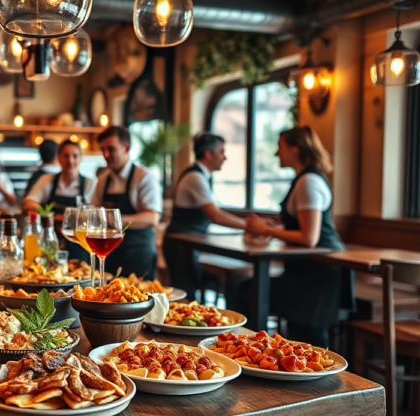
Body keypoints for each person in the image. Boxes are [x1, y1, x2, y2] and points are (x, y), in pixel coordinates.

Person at [235, 126, 353, 347]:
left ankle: (250, 350)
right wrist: (276, 225)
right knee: (246, 290)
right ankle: (250, 350)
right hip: (306, 271)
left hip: (319, 274)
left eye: (280, 147)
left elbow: (309, 237)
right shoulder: (304, 180)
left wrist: (267, 230)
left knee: (247, 292)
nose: (276, 153)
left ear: (295, 149)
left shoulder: (308, 182)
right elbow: (301, 224)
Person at [163, 132, 247, 297]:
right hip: (180, 243)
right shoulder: (195, 177)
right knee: (185, 294)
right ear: (208, 154)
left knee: (187, 292)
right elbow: (216, 215)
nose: (225, 157)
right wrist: (249, 226)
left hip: (185, 241)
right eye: (221, 152)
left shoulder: (200, 175)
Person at [91, 126, 162, 279]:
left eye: (111, 149)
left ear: (126, 148)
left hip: (138, 253)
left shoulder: (144, 178)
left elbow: (152, 218)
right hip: (109, 253)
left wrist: (115, 220)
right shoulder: (103, 181)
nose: (106, 155)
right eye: (103, 150)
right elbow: (94, 213)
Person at [22, 140, 97, 261]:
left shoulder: (90, 184)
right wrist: (48, 215)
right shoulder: (47, 180)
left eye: (75, 156)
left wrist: (65, 218)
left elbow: (96, 215)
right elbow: (27, 204)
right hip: (50, 244)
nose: (70, 161)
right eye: (66, 156)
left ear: (81, 158)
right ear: (58, 158)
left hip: (80, 246)